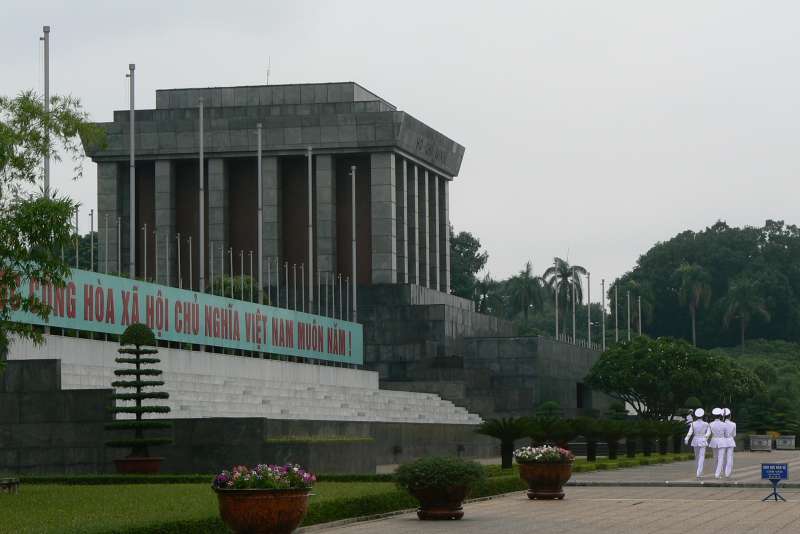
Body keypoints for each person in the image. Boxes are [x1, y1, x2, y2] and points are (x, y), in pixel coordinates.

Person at [685, 408, 710, 479]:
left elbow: (690, 432)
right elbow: (708, 433)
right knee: (701, 457)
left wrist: (686, 438)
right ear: (702, 416)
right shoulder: (706, 424)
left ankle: (698, 472)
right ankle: (699, 473)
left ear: (696, 416)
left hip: (695, 440)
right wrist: (705, 438)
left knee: (697, 457)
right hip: (702, 440)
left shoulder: (693, 423)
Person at [708, 408, 726, 479]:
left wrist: (705, 439)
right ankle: (717, 474)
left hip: (714, 441)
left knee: (715, 458)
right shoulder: (724, 424)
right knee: (721, 458)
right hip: (721, 441)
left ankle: (718, 472)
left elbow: (708, 434)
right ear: (720, 416)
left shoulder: (710, 424)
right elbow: (726, 434)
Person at [721, 408, 736, 478]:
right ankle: (728, 473)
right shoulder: (733, 424)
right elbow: (734, 434)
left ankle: (722, 471)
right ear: (730, 416)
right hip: (730, 441)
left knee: (722, 457)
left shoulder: (722, 424)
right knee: (729, 457)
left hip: (723, 441)